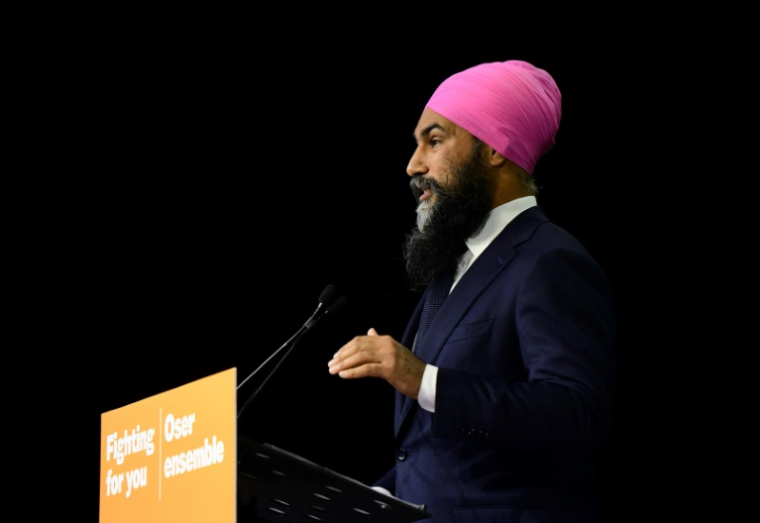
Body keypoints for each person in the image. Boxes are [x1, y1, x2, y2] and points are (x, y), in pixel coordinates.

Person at [327, 59, 616, 523]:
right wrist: (353, 502)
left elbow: (576, 414)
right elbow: (436, 461)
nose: (412, 165)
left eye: (434, 141)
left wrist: (423, 379)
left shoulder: (549, 260)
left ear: (495, 148)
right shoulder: (455, 269)